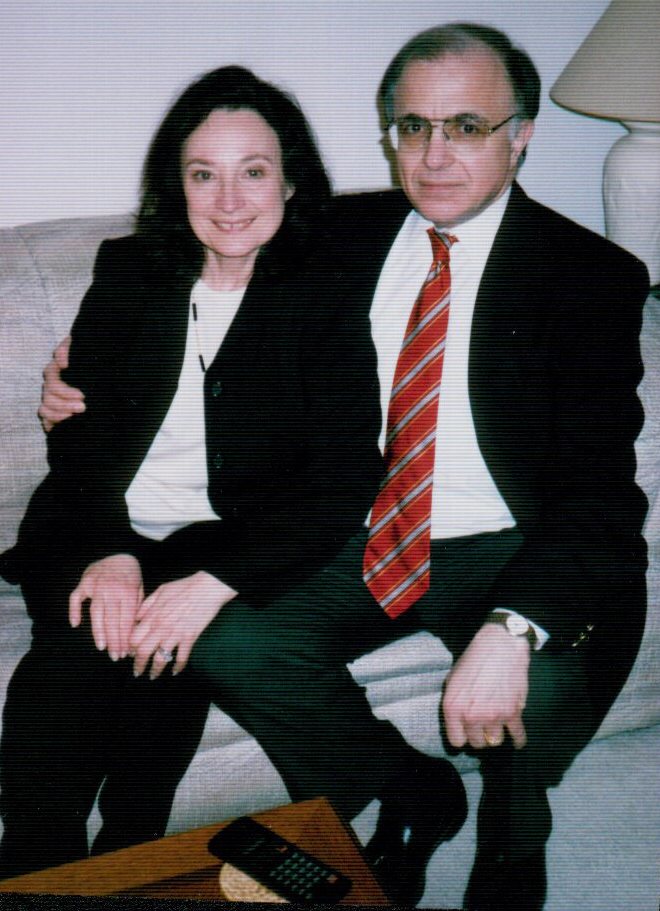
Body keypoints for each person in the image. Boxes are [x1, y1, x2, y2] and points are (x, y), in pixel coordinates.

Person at [38, 23, 649, 911]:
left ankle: (515, 832)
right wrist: (79, 381)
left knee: (538, 685)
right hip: (360, 531)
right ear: (390, 135)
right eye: (414, 126)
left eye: (467, 126)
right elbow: (187, 288)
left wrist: (513, 627)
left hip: (512, 543)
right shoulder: (336, 232)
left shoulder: (590, 275)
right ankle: (411, 789)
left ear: (521, 135)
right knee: (225, 640)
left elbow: (598, 495)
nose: (435, 156)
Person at [0, 65, 382, 878]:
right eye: (204, 174)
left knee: (168, 650)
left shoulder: (325, 295)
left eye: (255, 171)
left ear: (291, 181)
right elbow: (79, 437)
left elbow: (344, 477)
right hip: (91, 516)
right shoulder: (130, 270)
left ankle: (128, 854)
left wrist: (217, 580)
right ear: (177, 186)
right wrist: (109, 550)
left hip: (217, 536)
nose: (230, 199)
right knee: (78, 650)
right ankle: (34, 861)